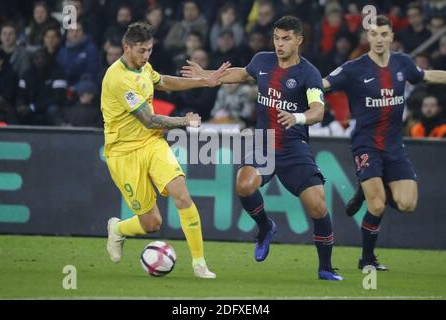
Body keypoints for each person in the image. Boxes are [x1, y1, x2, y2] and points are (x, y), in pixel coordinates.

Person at [182, 16, 343, 281]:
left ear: (299, 40)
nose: (280, 44)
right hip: (264, 142)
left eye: (286, 39)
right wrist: (209, 76)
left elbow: (318, 111)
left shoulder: (309, 73)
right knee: (244, 184)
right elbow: (243, 74)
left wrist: (298, 117)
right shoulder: (262, 61)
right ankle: (265, 227)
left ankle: (325, 267)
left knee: (317, 207)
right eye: (277, 38)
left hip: (294, 147)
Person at [102, 22, 229, 279]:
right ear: (126, 47)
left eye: (149, 50)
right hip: (123, 152)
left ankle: (199, 264)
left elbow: (163, 82)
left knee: (182, 195)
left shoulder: (143, 66)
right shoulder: (119, 79)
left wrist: (204, 81)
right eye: (141, 50)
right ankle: (118, 229)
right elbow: (149, 119)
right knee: (152, 224)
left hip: (151, 143)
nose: (146, 55)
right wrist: (185, 120)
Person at [323, 15, 446, 270]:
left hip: (394, 147)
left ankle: (366, 185)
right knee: (377, 205)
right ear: (368, 37)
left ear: (391, 37)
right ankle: (367, 259)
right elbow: (322, 83)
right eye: (374, 34)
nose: (378, 39)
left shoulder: (402, 63)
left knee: (407, 204)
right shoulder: (353, 68)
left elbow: (426, 76)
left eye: (383, 34)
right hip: (366, 145)